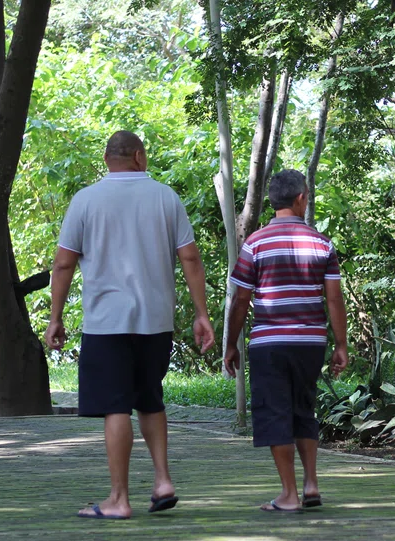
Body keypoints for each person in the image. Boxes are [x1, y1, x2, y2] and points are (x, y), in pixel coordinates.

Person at [46, 130, 215, 520]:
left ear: (107, 159)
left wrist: (55, 317)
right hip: (156, 320)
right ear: (139, 157)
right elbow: (190, 258)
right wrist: (200, 312)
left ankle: (119, 500)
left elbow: (63, 263)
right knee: (150, 399)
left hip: (107, 322)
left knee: (115, 407)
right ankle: (162, 480)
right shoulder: (165, 197)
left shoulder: (86, 200)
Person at [224, 169, 349, 512]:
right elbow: (334, 299)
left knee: (275, 413)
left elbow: (240, 299)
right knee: (303, 409)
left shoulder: (256, 243)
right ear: (300, 199)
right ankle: (311, 485)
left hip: (269, 343)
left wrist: (231, 344)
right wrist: (341, 344)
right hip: (310, 343)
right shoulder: (322, 243)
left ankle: (288, 495)